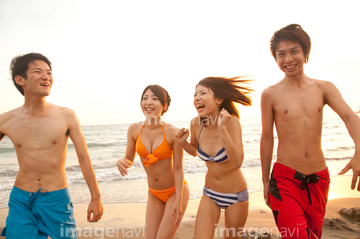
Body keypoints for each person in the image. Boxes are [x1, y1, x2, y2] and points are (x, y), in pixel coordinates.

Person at [260, 24, 360, 239]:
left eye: (294, 51)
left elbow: (351, 118)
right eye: (281, 54)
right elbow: (267, 138)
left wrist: (359, 150)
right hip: (284, 180)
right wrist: (265, 181)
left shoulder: (324, 88)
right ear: (275, 59)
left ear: (305, 53)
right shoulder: (270, 94)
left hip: (319, 180)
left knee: (313, 234)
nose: (288, 59)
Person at [0, 53, 103, 239]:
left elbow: (84, 158)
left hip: (57, 200)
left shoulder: (66, 116)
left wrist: (96, 198)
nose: (46, 77)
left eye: (49, 72)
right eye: (38, 71)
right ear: (20, 79)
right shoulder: (5, 120)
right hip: (20, 199)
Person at [176, 77, 252, 239]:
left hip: (235, 196)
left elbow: (237, 162)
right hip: (210, 193)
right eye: (195, 95)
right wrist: (182, 143)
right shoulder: (196, 123)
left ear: (218, 99)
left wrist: (222, 128)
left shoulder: (232, 122)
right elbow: (195, 151)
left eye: (203, 93)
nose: (197, 98)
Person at [117, 84, 190, 239]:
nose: (148, 102)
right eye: (145, 98)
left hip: (175, 191)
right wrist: (122, 162)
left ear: (164, 105)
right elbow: (129, 158)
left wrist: (179, 199)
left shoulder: (173, 132)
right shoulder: (134, 129)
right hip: (154, 193)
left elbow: (178, 168)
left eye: (154, 98)